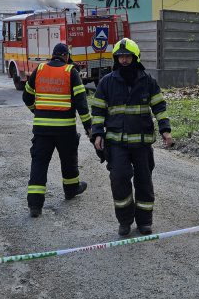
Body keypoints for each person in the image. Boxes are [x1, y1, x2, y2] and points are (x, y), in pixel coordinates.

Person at [91, 38, 173, 237]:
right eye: (120, 57)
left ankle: (144, 222)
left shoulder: (148, 81)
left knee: (144, 181)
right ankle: (125, 221)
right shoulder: (107, 82)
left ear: (136, 58)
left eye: (128, 56)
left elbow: (159, 107)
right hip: (116, 143)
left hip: (142, 143)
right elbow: (98, 110)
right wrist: (97, 133)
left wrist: (165, 130)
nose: (124, 60)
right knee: (119, 179)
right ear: (116, 59)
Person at [22, 42, 92, 217]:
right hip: (65, 129)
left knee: (39, 164)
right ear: (66, 56)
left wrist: (36, 111)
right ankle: (71, 190)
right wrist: (89, 128)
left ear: (52, 55)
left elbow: (26, 96)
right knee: (68, 160)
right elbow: (82, 104)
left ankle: (35, 206)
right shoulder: (71, 72)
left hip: (42, 129)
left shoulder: (39, 69)